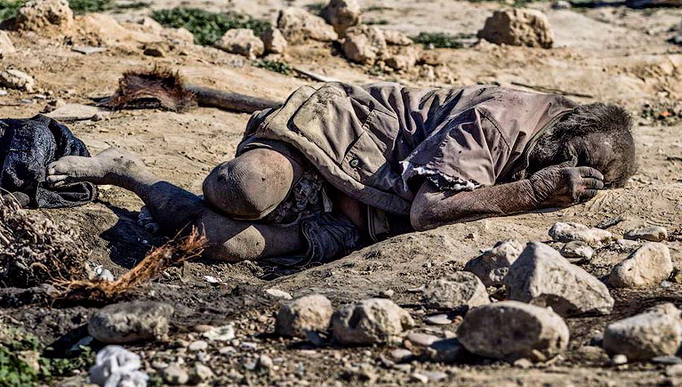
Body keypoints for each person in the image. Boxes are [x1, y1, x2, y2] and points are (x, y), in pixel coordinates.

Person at [47, 82, 637, 266]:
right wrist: (532, 193)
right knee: (243, 188)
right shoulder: (501, 124)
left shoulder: (538, 144)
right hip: (335, 140)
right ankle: (133, 172)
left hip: (364, 216)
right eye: (584, 176)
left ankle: (133, 175)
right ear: (562, 149)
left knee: (222, 243)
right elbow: (430, 210)